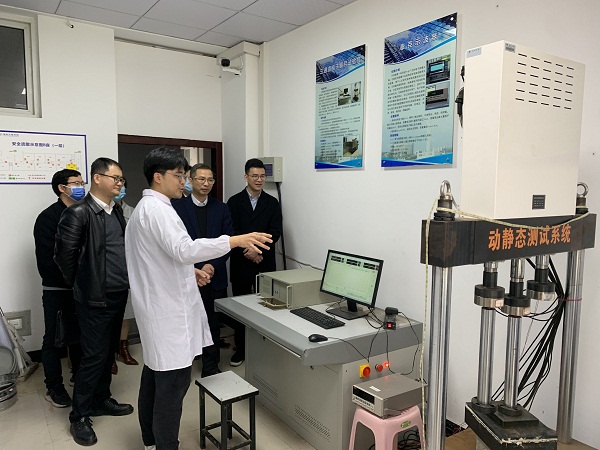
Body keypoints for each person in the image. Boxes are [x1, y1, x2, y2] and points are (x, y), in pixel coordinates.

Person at [125, 147, 271, 450]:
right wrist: (235, 240)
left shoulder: (146, 208)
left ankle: (150, 441)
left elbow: (159, 257)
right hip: (167, 314)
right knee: (171, 387)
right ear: (158, 176)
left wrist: (188, 271)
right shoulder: (158, 210)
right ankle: (165, 445)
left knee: (153, 376)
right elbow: (183, 249)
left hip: (158, 308)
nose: (185, 182)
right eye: (179, 176)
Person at [55, 157, 134, 447]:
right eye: (115, 178)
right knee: (93, 356)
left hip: (117, 293)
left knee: (108, 351)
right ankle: (79, 416)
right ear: (97, 178)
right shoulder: (78, 213)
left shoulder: (116, 212)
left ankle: (101, 399)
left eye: (121, 179)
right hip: (93, 298)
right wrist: (84, 284)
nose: (119, 183)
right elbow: (64, 258)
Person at [172, 163, 233, 377]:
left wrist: (211, 266)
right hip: (188, 276)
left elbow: (228, 241)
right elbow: (175, 245)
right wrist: (196, 268)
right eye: (201, 179)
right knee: (187, 323)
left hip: (214, 276)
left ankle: (211, 366)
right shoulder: (176, 208)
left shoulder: (221, 208)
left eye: (210, 180)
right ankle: (183, 366)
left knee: (213, 322)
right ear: (190, 180)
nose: (206, 184)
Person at [34, 169, 84, 408]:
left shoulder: (84, 212)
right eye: (76, 183)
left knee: (79, 337)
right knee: (54, 339)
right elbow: (47, 260)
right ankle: (54, 387)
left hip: (82, 288)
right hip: (57, 288)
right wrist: (73, 276)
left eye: (82, 182)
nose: (81, 187)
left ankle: (79, 377)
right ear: (62, 188)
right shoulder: (47, 218)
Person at [226, 158, 283, 366]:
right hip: (241, 261)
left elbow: (275, 232)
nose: (259, 180)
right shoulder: (234, 202)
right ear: (246, 177)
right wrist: (247, 251)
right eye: (254, 176)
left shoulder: (272, 203)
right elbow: (230, 231)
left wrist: (256, 251)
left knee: (266, 306)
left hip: (264, 262)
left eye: (262, 176)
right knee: (241, 307)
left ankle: (263, 349)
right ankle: (241, 349)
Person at [112, 182, 138, 374]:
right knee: (109, 315)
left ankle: (123, 347)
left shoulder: (133, 212)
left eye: (123, 186)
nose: (120, 189)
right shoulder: (100, 211)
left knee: (127, 311)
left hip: (128, 268)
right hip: (109, 269)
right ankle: (109, 353)